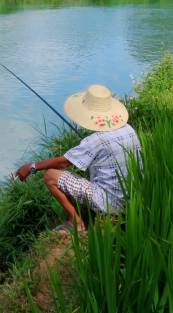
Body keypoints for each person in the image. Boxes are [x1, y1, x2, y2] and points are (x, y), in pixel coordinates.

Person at [15, 84, 142, 234]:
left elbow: (64, 162)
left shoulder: (96, 139)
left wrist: (32, 165)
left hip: (109, 202)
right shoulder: (128, 129)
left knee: (50, 175)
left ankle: (76, 223)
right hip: (134, 197)